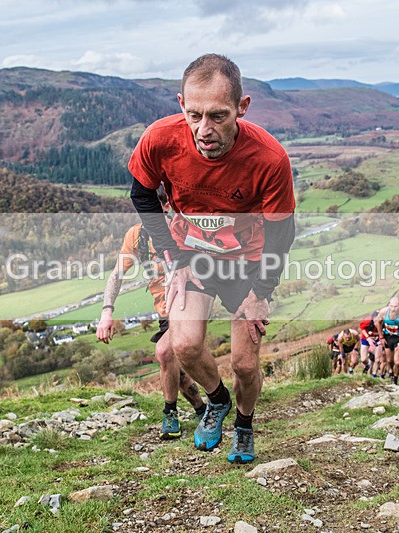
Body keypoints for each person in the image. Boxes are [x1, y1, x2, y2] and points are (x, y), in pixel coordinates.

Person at [129, 54, 296, 464]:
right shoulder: (160, 139)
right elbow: (142, 196)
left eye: (218, 116)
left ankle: (244, 425)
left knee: (243, 363)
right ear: (181, 103)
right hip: (194, 257)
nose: (205, 130)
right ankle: (217, 401)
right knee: (183, 344)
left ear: (243, 107)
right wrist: (174, 257)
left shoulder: (269, 158)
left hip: (248, 264)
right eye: (194, 115)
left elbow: (281, 231)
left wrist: (262, 292)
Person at [96, 186, 206, 440]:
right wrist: (106, 312)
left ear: (167, 206)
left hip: (190, 302)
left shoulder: (185, 228)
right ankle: (204, 408)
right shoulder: (137, 236)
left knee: (164, 352)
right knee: (177, 371)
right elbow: (117, 275)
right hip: (165, 311)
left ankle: (170, 413)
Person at [374, 296, 399, 385]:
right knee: (389, 360)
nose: (393, 309)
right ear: (389, 305)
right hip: (388, 337)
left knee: (398, 362)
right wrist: (381, 337)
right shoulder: (383, 312)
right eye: (391, 306)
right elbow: (378, 323)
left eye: (396, 306)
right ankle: (390, 371)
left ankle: (395, 378)